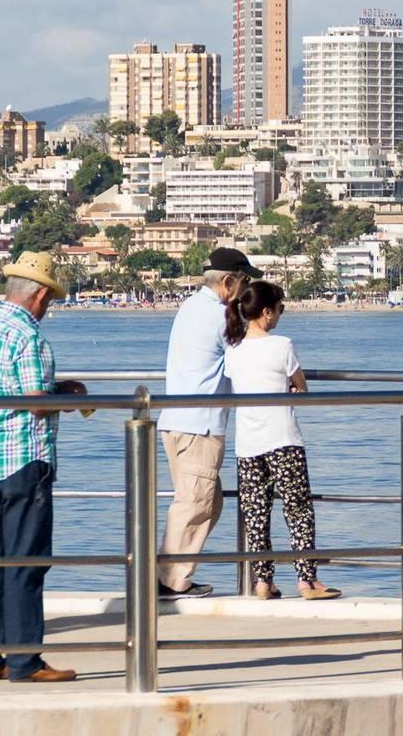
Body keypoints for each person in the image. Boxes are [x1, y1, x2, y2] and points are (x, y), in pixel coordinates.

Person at [0, 251, 85, 683]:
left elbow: (4, 387)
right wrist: (67, 398)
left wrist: (53, 389)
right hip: (24, 458)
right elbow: (35, 404)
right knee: (26, 562)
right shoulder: (29, 337)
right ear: (39, 296)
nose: (47, 307)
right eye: (49, 300)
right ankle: (25, 661)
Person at [224, 280, 340, 601]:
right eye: (280, 309)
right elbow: (301, 387)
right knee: (298, 509)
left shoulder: (233, 351)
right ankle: (307, 580)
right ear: (266, 312)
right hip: (283, 439)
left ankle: (263, 581)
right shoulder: (282, 345)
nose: (280, 314)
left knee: (256, 514)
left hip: (248, 443)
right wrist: (291, 388)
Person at [157, 246, 260, 599]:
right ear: (229, 281)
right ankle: (167, 582)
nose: (247, 290)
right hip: (199, 426)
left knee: (208, 501)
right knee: (194, 504)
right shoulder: (219, 316)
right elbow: (245, 356)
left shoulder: (190, 306)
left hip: (177, 421)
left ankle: (171, 576)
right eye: (245, 282)